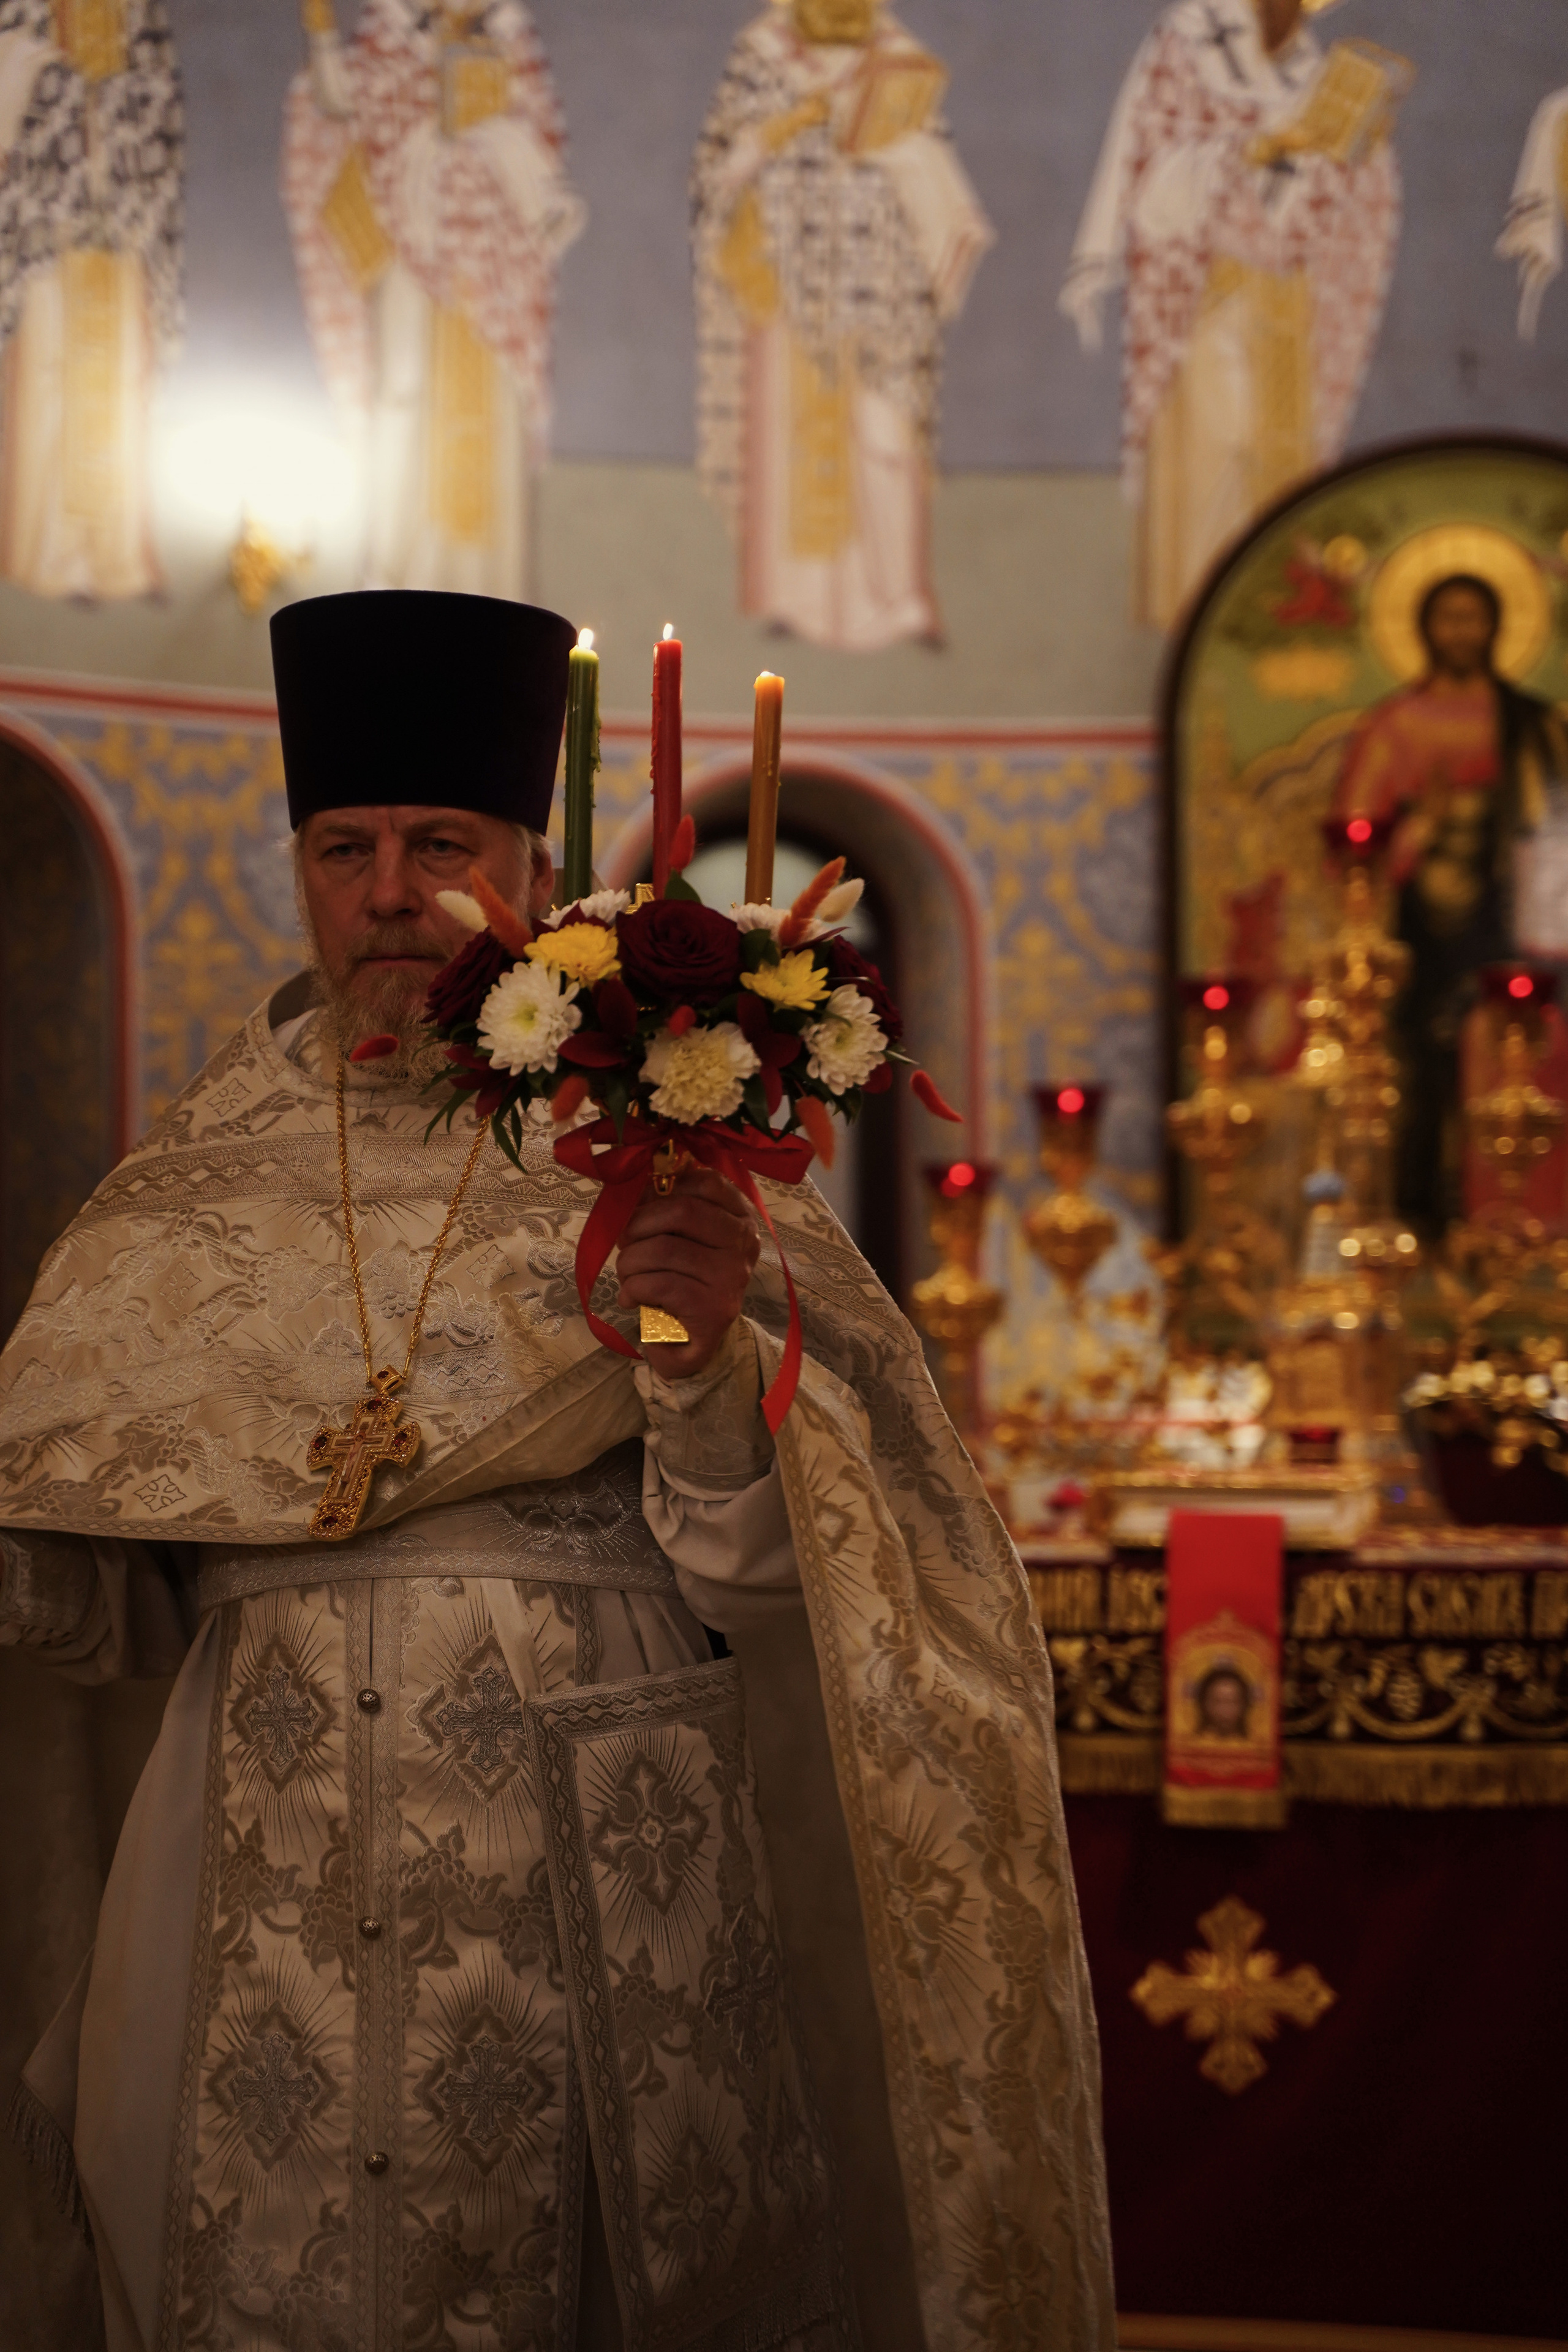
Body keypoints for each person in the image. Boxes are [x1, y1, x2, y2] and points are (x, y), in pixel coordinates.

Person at [0, 590, 1114, 2351]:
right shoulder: (184, 1190)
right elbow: (81, 1618)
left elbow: (797, 1590)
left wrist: (709, 1365)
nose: (386, 892)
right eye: (344, 846)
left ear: (530, 863)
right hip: (247, 1869)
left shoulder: (658, 1152)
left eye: (438, 843)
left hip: (600, 1873)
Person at [1062, 0, 1408, 630]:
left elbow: (1341, 192)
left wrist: (1363, 152)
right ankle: (1200, 605)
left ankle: (1273, 595)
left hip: (1292, 297)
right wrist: (1261, 145)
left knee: (1281, 442)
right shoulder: (1190, 43)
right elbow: (1154, 185)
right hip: (1206, 292)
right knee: (1221, 439)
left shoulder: (1312, 69)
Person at [691, 0, 992, 654]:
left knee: (883, 436)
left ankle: (898, 600)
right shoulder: (762, 54)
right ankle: (794, 600)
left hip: (882, 287)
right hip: (786, 282)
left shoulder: (897, 57)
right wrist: (784, 127)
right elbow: (718, 171)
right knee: (790, 435)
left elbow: (933, 164)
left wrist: (897, 149)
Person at [281, 0, 584, 597]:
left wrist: (492, 143)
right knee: (405, 396)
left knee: (494, 411)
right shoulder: (390, 42)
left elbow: (543, 141)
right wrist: (320, 36)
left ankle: (496, 588)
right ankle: (396, 577)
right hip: (411, 257)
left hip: (495, 273)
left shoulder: (510, 43)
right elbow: (344, 105)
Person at [1335, 573, 1567, 1230]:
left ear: (1496, 626)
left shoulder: (1535, 725)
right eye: (1447, 618)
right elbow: (1355, 852)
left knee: (1525, 1064)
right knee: (1431, 1070)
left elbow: (1559, 826)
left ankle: (1522, 1221)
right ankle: (1428, 1220)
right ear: (1422, 630)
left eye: (1473, 618)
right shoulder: (1395, 727)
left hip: (1519, 920)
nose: (1461, 632)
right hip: (1428, 930)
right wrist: (1423, 829)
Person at [0, 0, 183, 598]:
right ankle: (48, 556)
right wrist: (48, 68)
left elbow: (159, 94)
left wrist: (120, 121)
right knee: (47, 380)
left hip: (121, 223)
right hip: (50, 224)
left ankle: (110, 559)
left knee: (118, 382)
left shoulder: (139, 11)